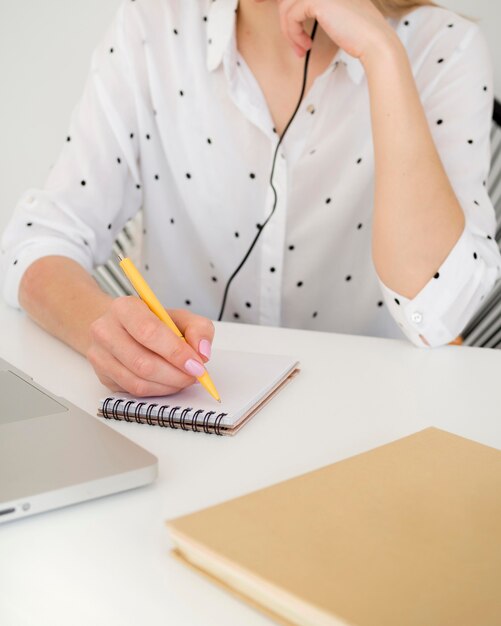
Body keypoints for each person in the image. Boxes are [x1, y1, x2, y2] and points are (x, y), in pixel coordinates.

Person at [2, 0, 500, 398]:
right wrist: (104, 330)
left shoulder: (442, 47)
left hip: (370, 426)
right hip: (188, 417)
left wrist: (381, 54)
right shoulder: (153, 26)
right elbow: (38, 240)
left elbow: (440, 316)